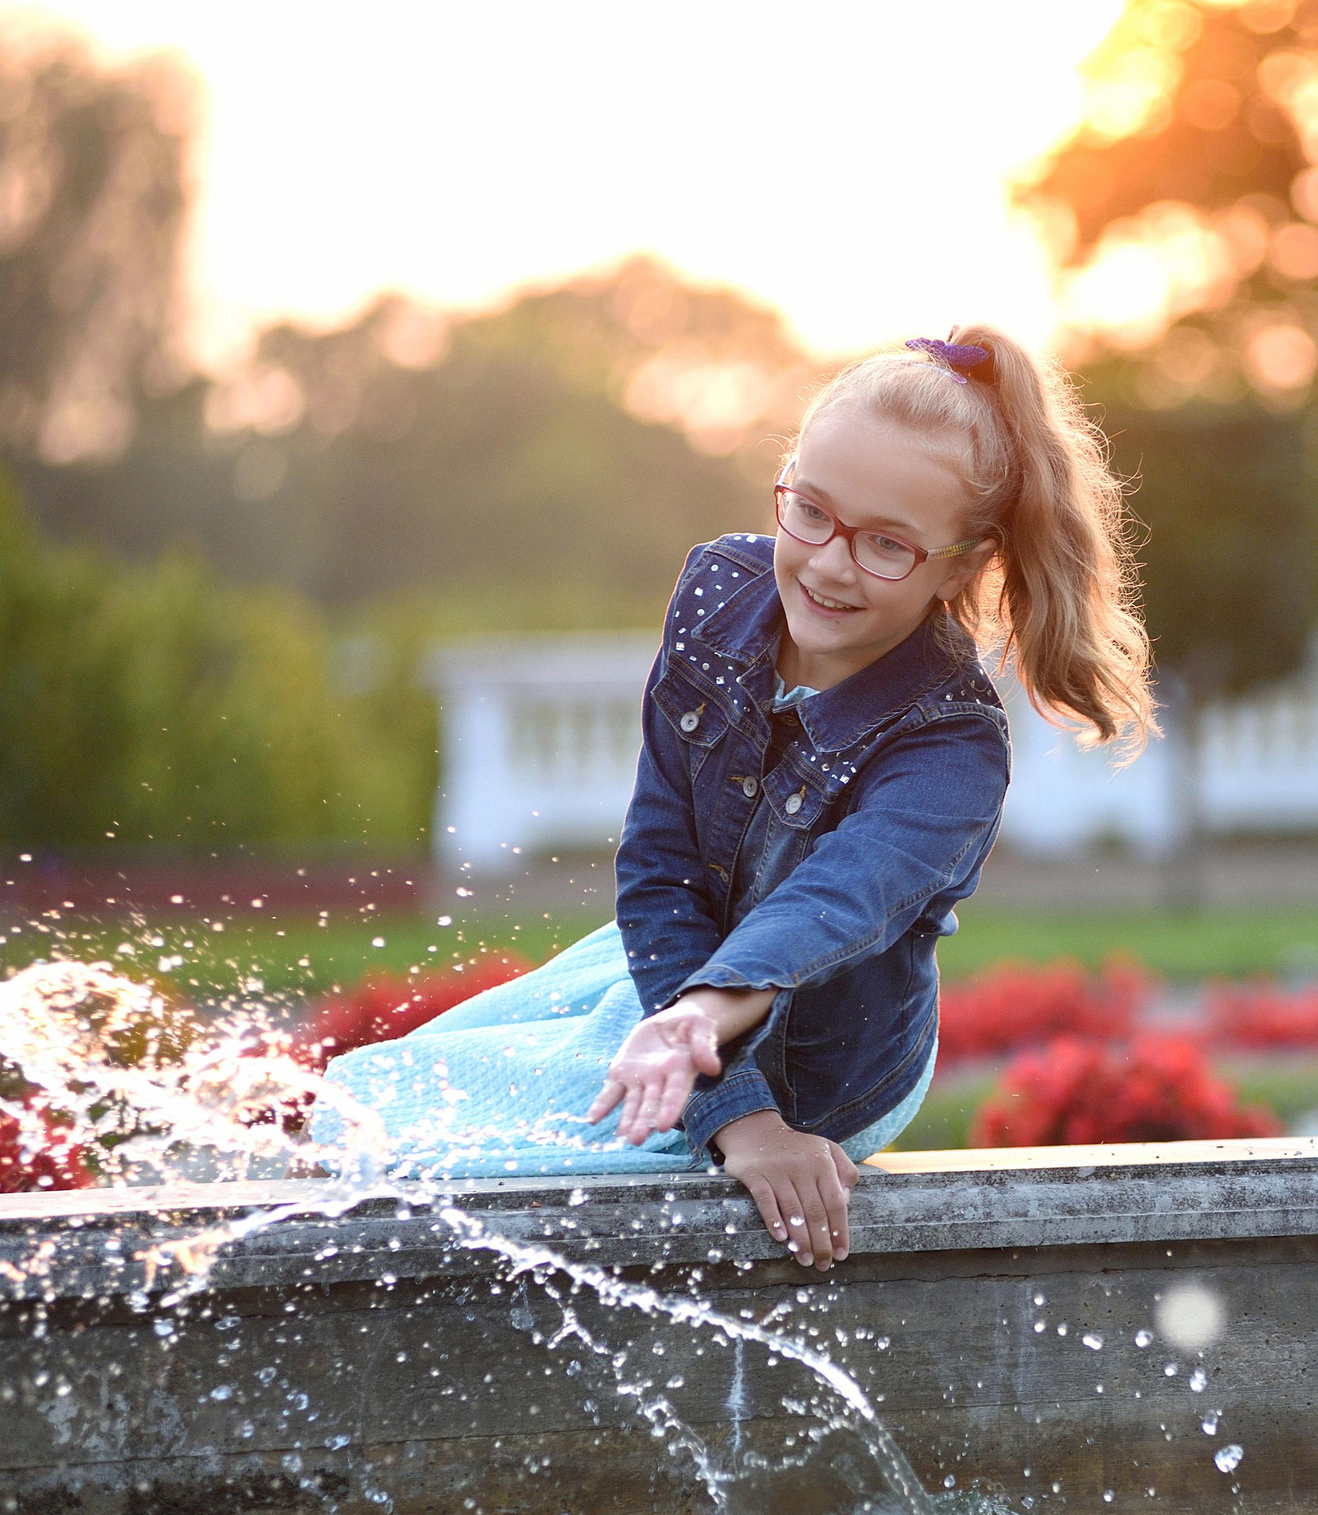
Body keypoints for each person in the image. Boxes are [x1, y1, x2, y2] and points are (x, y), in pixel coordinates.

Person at [315, 328, 1156, 1268]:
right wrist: (695, 1046)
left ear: (960, 564)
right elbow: (660, 863)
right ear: (786, 480)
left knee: (490, 1186)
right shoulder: (718, 597)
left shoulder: (953, 747)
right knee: (368, 1118)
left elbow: (834, 902)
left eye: (887, 544)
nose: (831, 564)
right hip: (672, 979)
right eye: (812, 511)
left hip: (823, 1060)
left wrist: (744, 1107)